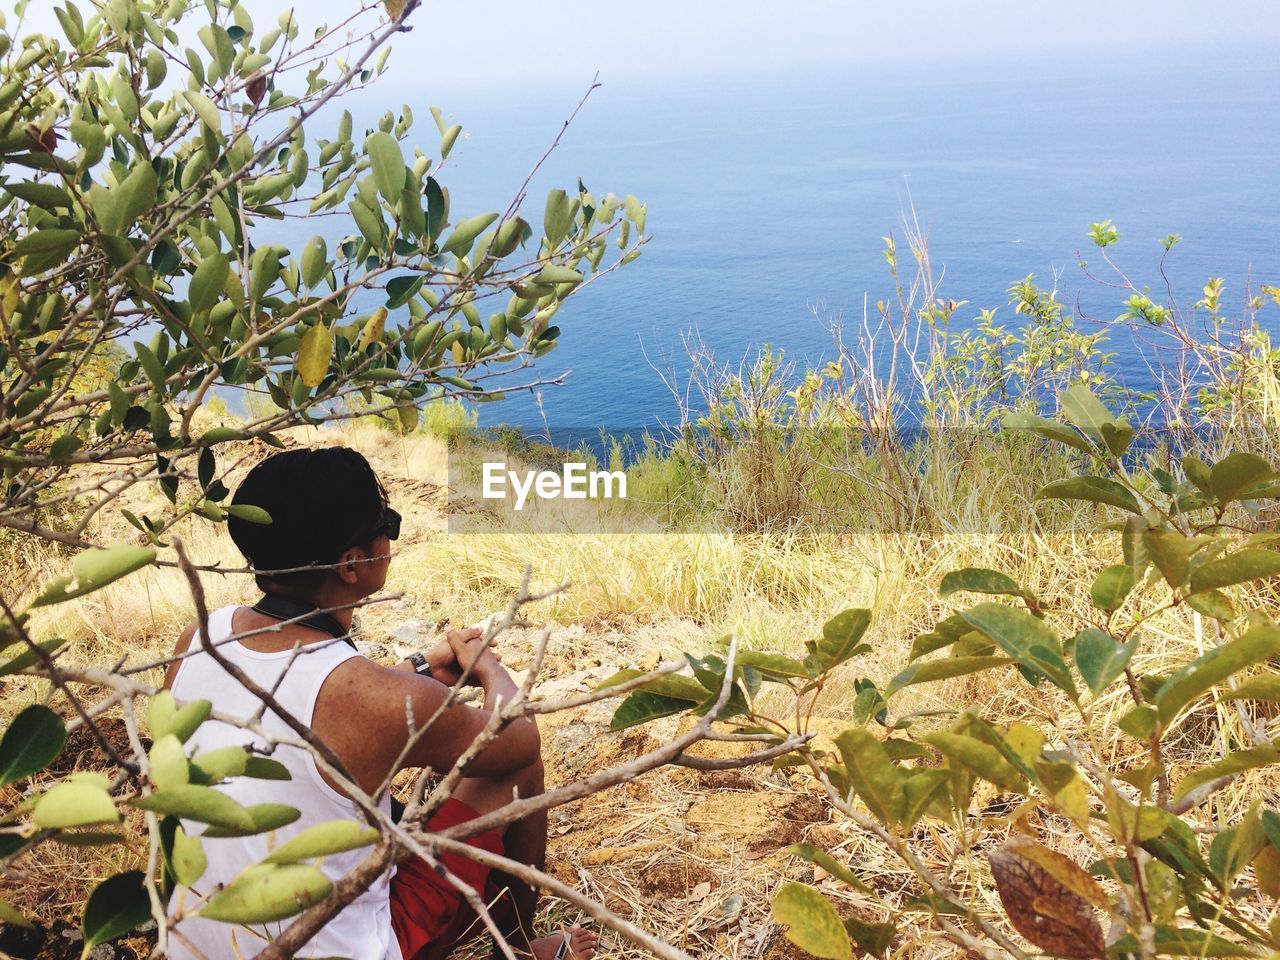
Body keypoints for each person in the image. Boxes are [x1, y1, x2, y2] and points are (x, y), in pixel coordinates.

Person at [163, 446, 598, 960]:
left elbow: (307, 714)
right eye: (386, 524)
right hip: (349, 949)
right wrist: (488, 668)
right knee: (515, 769)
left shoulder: (200, 639)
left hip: (205, 941)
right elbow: (518, 737)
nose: (391, 535)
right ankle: (521, 946)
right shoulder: (377, 700)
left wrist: (420, 668)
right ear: (352, 564)